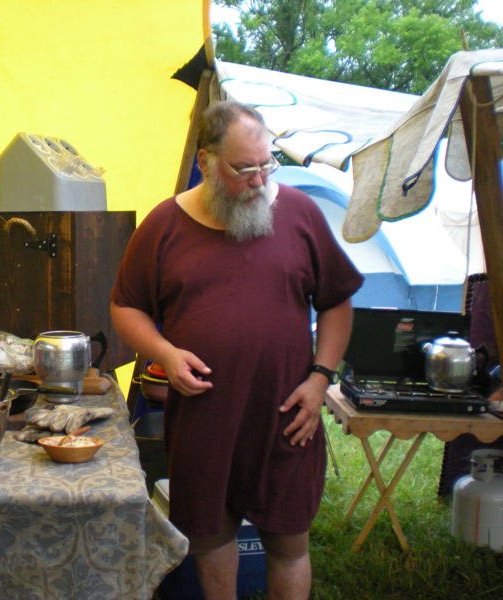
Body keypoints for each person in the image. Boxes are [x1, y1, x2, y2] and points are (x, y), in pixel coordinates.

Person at [110, 100, 364, 599]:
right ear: (205, 162)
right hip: (205, 416)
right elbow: (126, 306)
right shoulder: (165, 224)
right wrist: (164, 352)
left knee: (289, 542)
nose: (258, 179)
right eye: (244, 168)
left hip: (288, 412)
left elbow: (337, 301)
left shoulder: (299, 212)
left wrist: (320, 379)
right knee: (210, 537)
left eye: (267, 164)